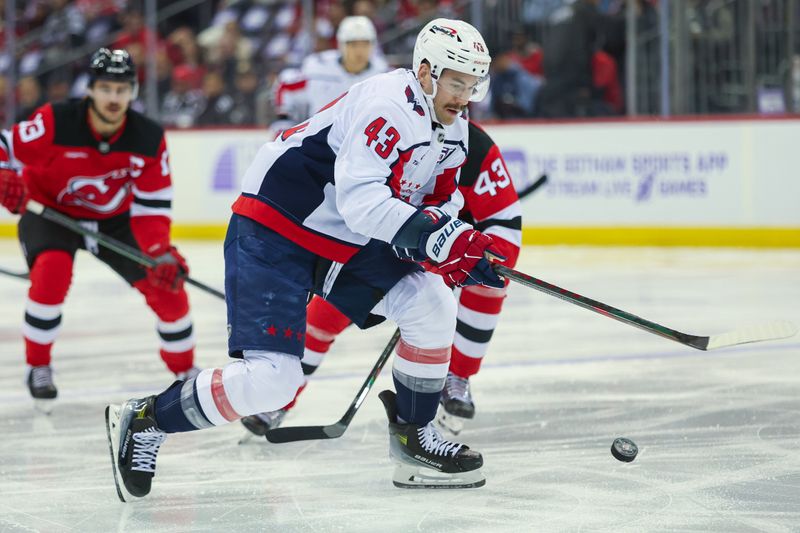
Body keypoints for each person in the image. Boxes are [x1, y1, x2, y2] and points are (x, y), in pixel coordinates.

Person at [104, 18, 501, 499]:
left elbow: (437, 200)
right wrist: (436, 239)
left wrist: (449, 236)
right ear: (426, 71)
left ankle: (414, 438)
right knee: (274, 381)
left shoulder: (453, 129)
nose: (465, 94)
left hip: (343, 238)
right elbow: (362, 203)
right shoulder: (388, 106)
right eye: (457, 81)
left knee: (430, 300)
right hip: (277, 227)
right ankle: (148, 420)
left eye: (472, 83)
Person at [241, 119, 522, 436]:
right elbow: (363, 210)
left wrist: (463, 259)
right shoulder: (391, 132)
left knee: (490, 283)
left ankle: (458, 376)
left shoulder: (478, 151)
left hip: (458, 249)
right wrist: (421, 251)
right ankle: (282, 394)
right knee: (324, 313)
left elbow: (506, 232)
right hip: (394, 243)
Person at [0, 48, 198, 410]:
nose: (113, 97)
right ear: (90, 89)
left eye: (122, 89)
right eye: (106, 88)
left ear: (134, 92)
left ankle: (186, 373)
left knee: (166, 287)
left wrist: (158, 252)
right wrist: (4, 173)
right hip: (50, 210)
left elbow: (152, 207)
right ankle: (38, 365)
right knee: (51, 273)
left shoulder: (148, 137)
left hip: (116, 221)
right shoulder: (57, 121)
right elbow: (5, 145)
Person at [271, 16, 388, 132]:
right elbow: (285, 84)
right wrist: (284, 117)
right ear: (341, 45)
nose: (359, 50)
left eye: (365, 44)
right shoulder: (319, 68)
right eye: (353, 44)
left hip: (361, 139)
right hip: (319, 139)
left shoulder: (383, 75)